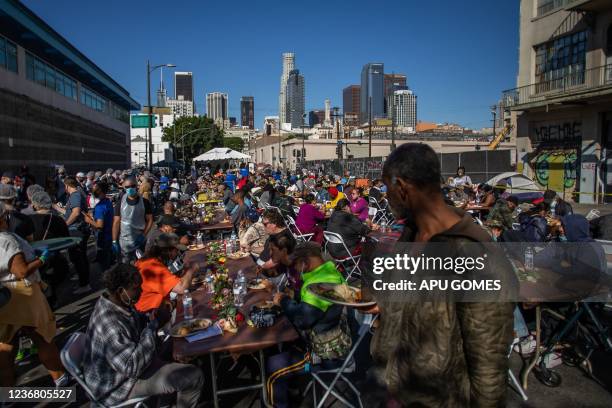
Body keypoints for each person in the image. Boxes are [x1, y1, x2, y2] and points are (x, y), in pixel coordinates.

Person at [367, 143, 514, 406]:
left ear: (401, 187)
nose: (387, 199)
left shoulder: (474, 253)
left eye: (388, 191)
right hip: (397, 386)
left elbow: (488, 362)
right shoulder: (410, 235)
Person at [82, 263, 203, 407]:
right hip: (118, 386)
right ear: (121, 291)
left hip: (132, 366)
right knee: (193, 377)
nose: (141, 291)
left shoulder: (118, 303)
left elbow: (136, 320)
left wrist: (155, 314)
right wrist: (155, 324)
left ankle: (165, 401)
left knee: (180, 343)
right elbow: (132, 367)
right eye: (136, 288)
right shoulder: (109, 322)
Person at [268, 242, 349, 408]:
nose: (296, 269)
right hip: (327, 339)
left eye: (297, 264)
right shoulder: (327, 272)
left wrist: (283, 300)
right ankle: (293, 391)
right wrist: (293, 297)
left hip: (324, 353)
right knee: (277, 348)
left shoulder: (321, 284)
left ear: (306, 262)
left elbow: (302, 320)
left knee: (273, 369)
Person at [0, 202, 68, 387]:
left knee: (6, 345)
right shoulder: (7, 240)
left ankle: (6, 392)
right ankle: (60, 378)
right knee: (42, 337)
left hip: (4, 297)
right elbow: (21, 271)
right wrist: (41, 260)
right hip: (22, 294)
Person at [28, 191, 70, 306]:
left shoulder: (27, 220)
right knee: (52, 282)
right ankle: (51, 301)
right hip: (54, 258)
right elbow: (66, 240)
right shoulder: (58, 220)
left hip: (33, 260)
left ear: (35, 204)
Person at [135, 234, 194, 313]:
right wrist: (192, 269)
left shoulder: (147, 260)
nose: (178, 253)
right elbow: (182, 288)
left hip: (158, 307)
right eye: (176, 250)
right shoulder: (154, 267)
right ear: (169, 251)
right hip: (150, 313)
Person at [53, 176, 91, 294]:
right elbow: (69, 212)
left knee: (78, 257)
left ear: (67, 186)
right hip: (78, 229)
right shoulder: (77, 194)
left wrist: (65, 224)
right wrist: (56, 207)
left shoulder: (75, 195)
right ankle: (83, 279)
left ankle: (84, 284)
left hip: (77, 230)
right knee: (81, 257)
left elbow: (75, 213)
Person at [112, 176, 154, 263]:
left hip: (139, 241)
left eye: (132, 186)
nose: (130, 189)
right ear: (124, 188)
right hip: (124, 242)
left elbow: (150, 220)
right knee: (124, 267)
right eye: (127, 187)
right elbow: (116, 222)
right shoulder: (120, 203)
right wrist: (114, 240)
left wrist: (143, 235)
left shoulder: (145, 202)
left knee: (140, 265)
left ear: (136, 186)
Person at [85, 182, 115, 272]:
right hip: (109, 233)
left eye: (95, 189)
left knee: (104, 260)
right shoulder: (108, 202)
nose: (93, 191)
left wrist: (89, 220)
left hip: (103, 236)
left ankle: (106, 276)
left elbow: (100, 225)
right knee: (107, 255)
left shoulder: (100, 207)